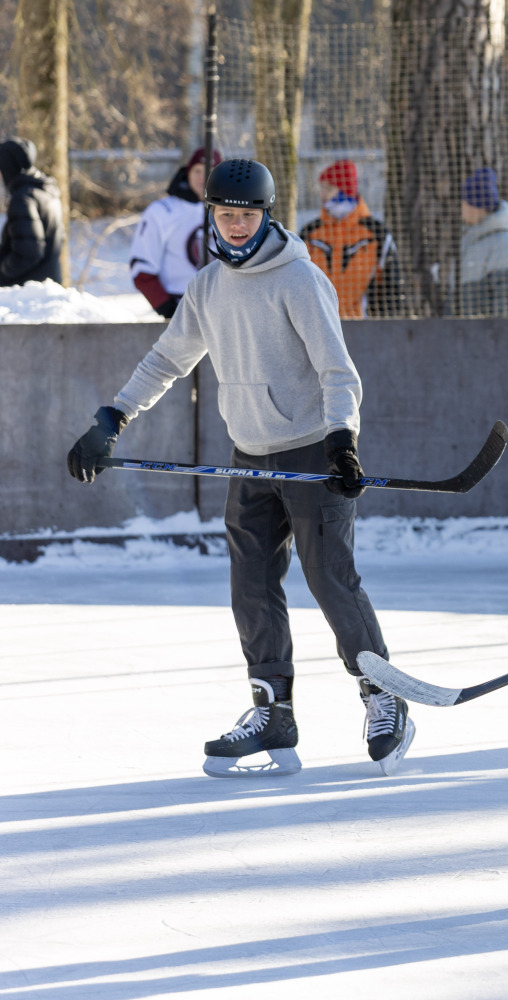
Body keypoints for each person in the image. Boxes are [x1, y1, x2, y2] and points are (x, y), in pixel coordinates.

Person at [66, 158, 415, 778]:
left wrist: (342, 441)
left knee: (330, 579)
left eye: (245, 215)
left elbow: (339, 372)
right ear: (212, 215)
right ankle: (272, 711)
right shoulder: (206, 287)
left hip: (312, 452)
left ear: (265, 215)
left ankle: (382, 696)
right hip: (250, 455)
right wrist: (112, 417)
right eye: (225, 215)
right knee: (251, 584)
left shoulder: (299, 281)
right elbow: (166, 359)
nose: (234, 226)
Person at [299, 159, 405, 318]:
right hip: (320, 326)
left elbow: (392, 286)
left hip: (364, 328)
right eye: (322, 189)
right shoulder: (310, 233)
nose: (322, 195)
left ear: (344, 190)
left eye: (328, 189)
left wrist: (384, 324)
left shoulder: (376, 234)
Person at [128, 147, 221, 319]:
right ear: (188, 172)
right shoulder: (162, 211)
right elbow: (142, 268)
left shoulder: (235, 213)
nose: (203, 178)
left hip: (225, 315)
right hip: (180, 311)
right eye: (198, 171)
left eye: (211, 171)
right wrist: (168, 308)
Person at [458, 166, 508, 317]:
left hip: (492, 337)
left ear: (475, 207)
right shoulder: (472, 243)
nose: (461, 209)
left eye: (464, 203)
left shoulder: (506, 246)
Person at [0, 137, 63, 286]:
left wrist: (2, 272)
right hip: (48, 286)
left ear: (9, 167)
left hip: (29, 291)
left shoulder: (23, 199)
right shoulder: (47, 190)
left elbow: (28, 253)